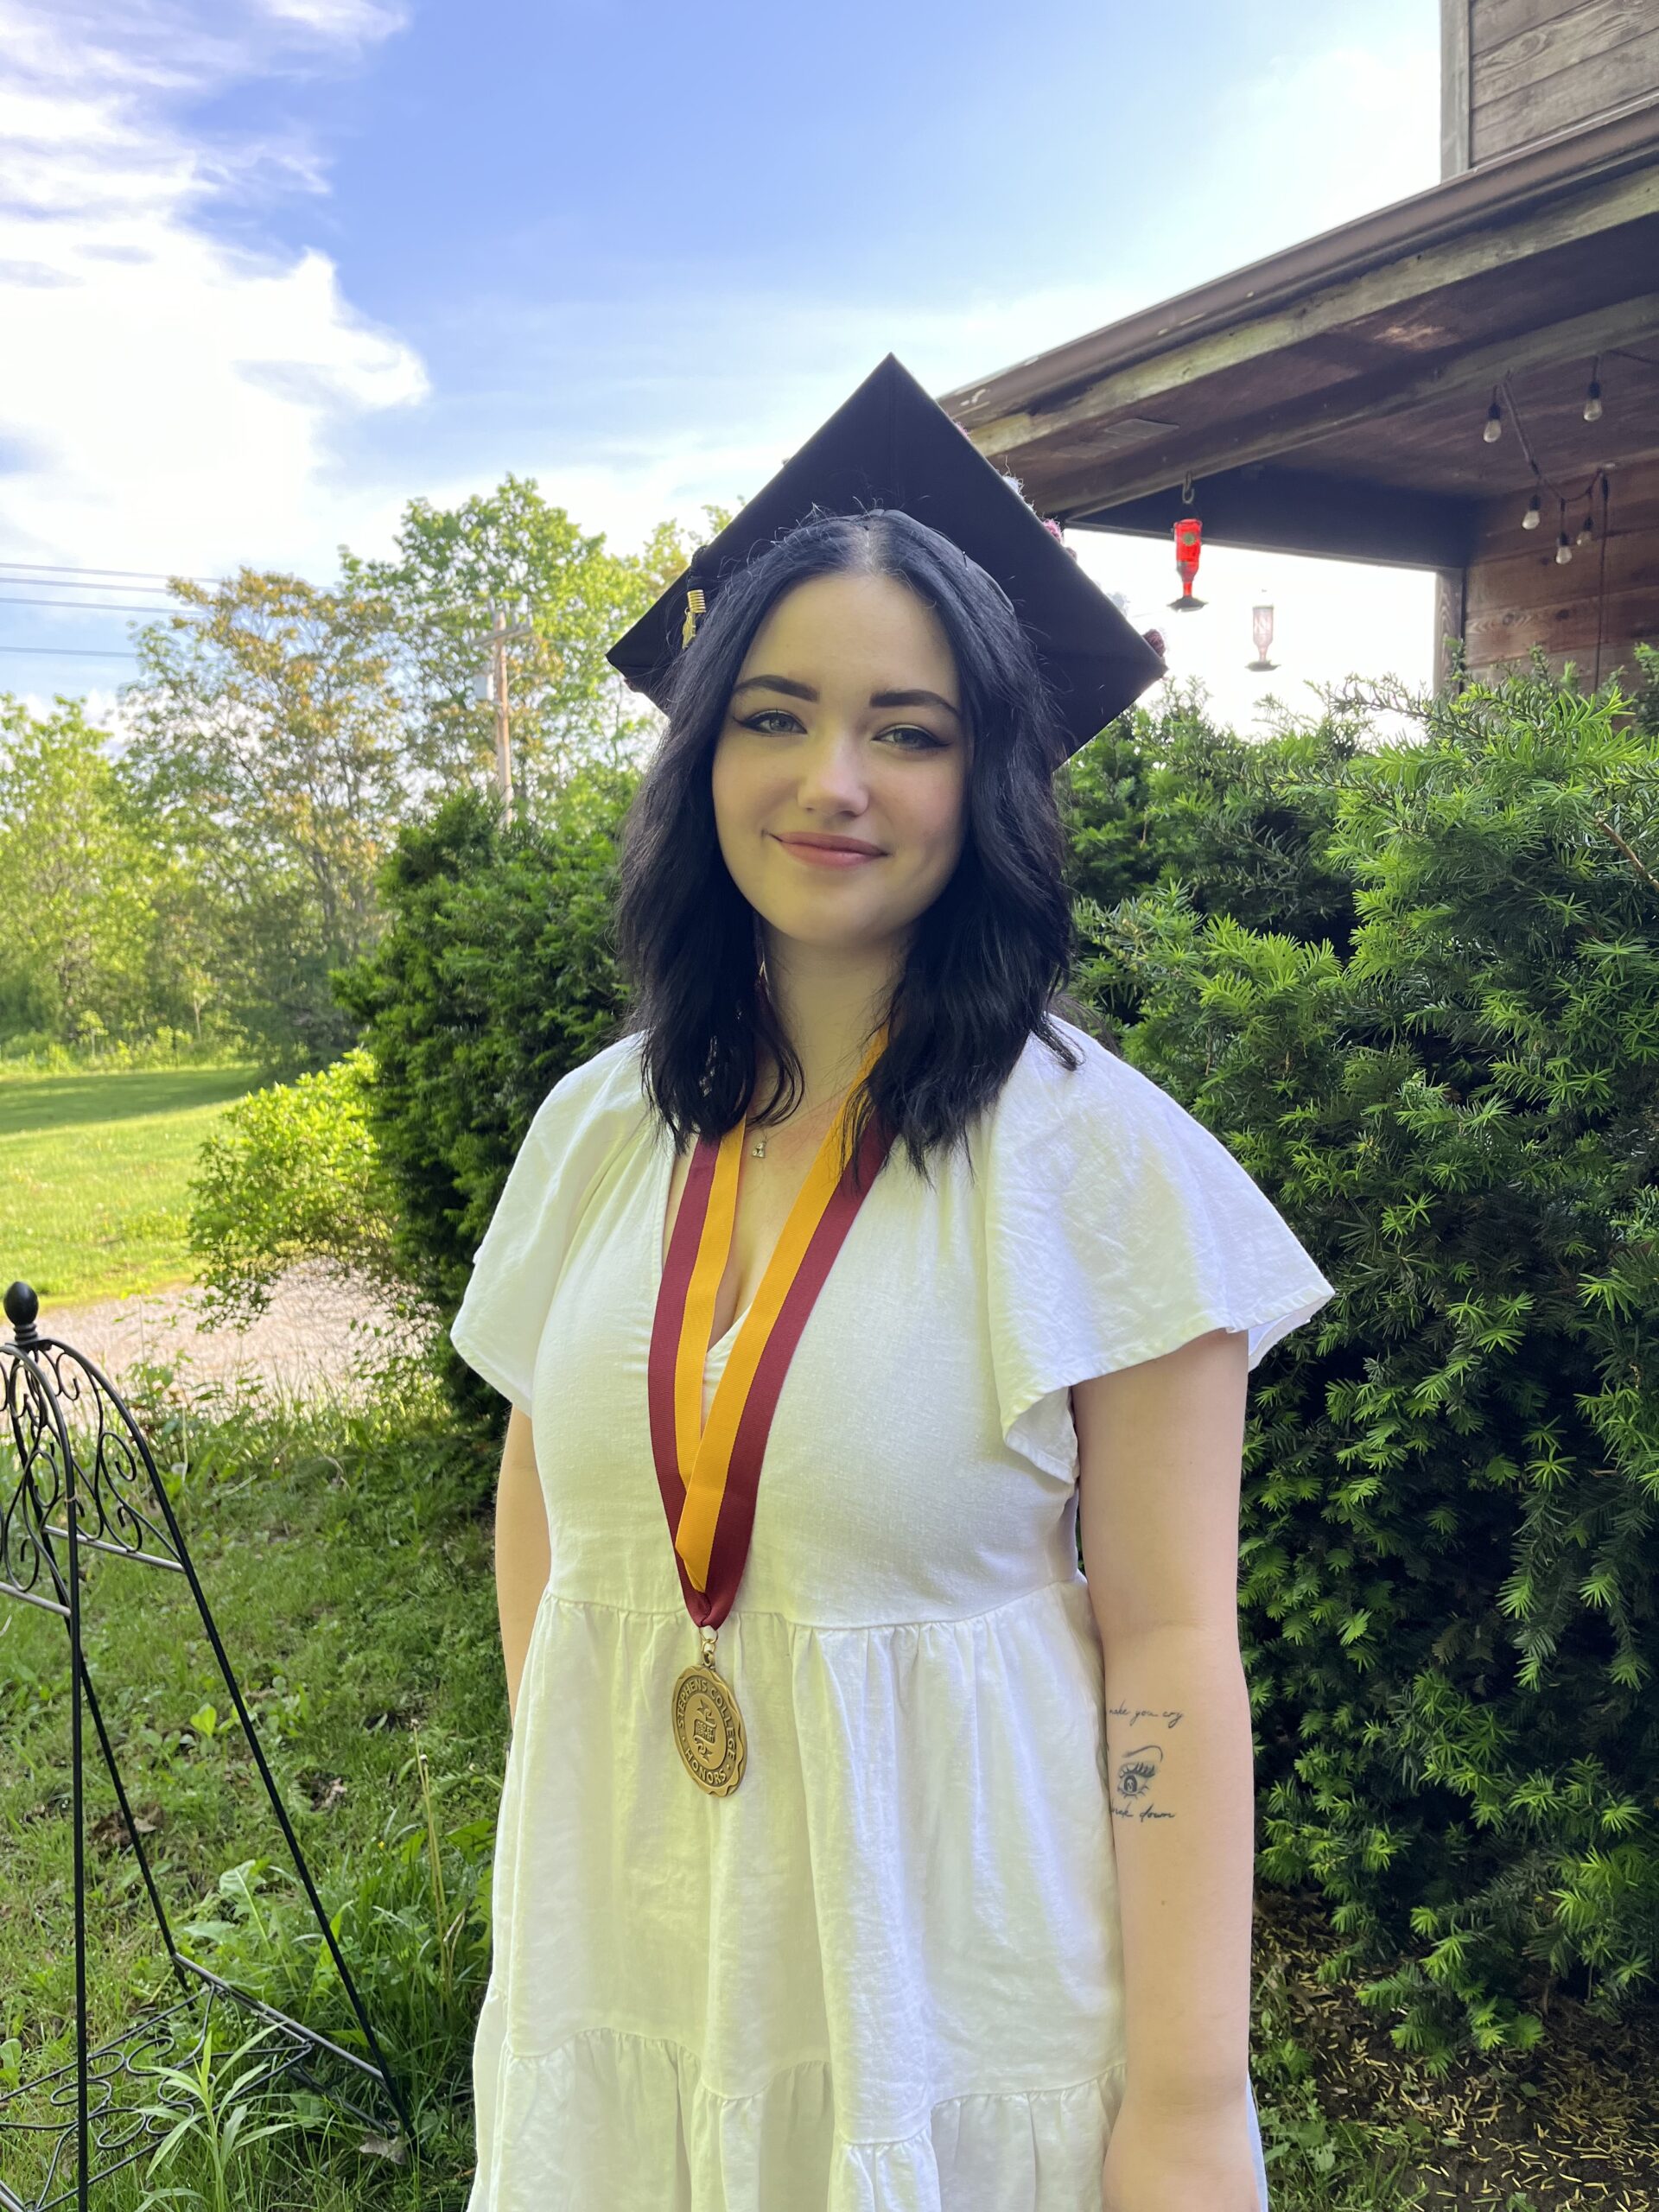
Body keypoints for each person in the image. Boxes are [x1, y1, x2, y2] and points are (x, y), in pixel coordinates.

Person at [449, 355, 1335, 2211]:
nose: (832, 780)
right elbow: (546, 1476)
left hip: (951, 1999)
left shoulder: (1100, 1165)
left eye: (907, 729)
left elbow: (1173, 1641)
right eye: (775, 714)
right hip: (639, 1965)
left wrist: (1186, 2101)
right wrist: (588, 1810)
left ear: (989, 771)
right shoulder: (599, 1127)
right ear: (703, 755)